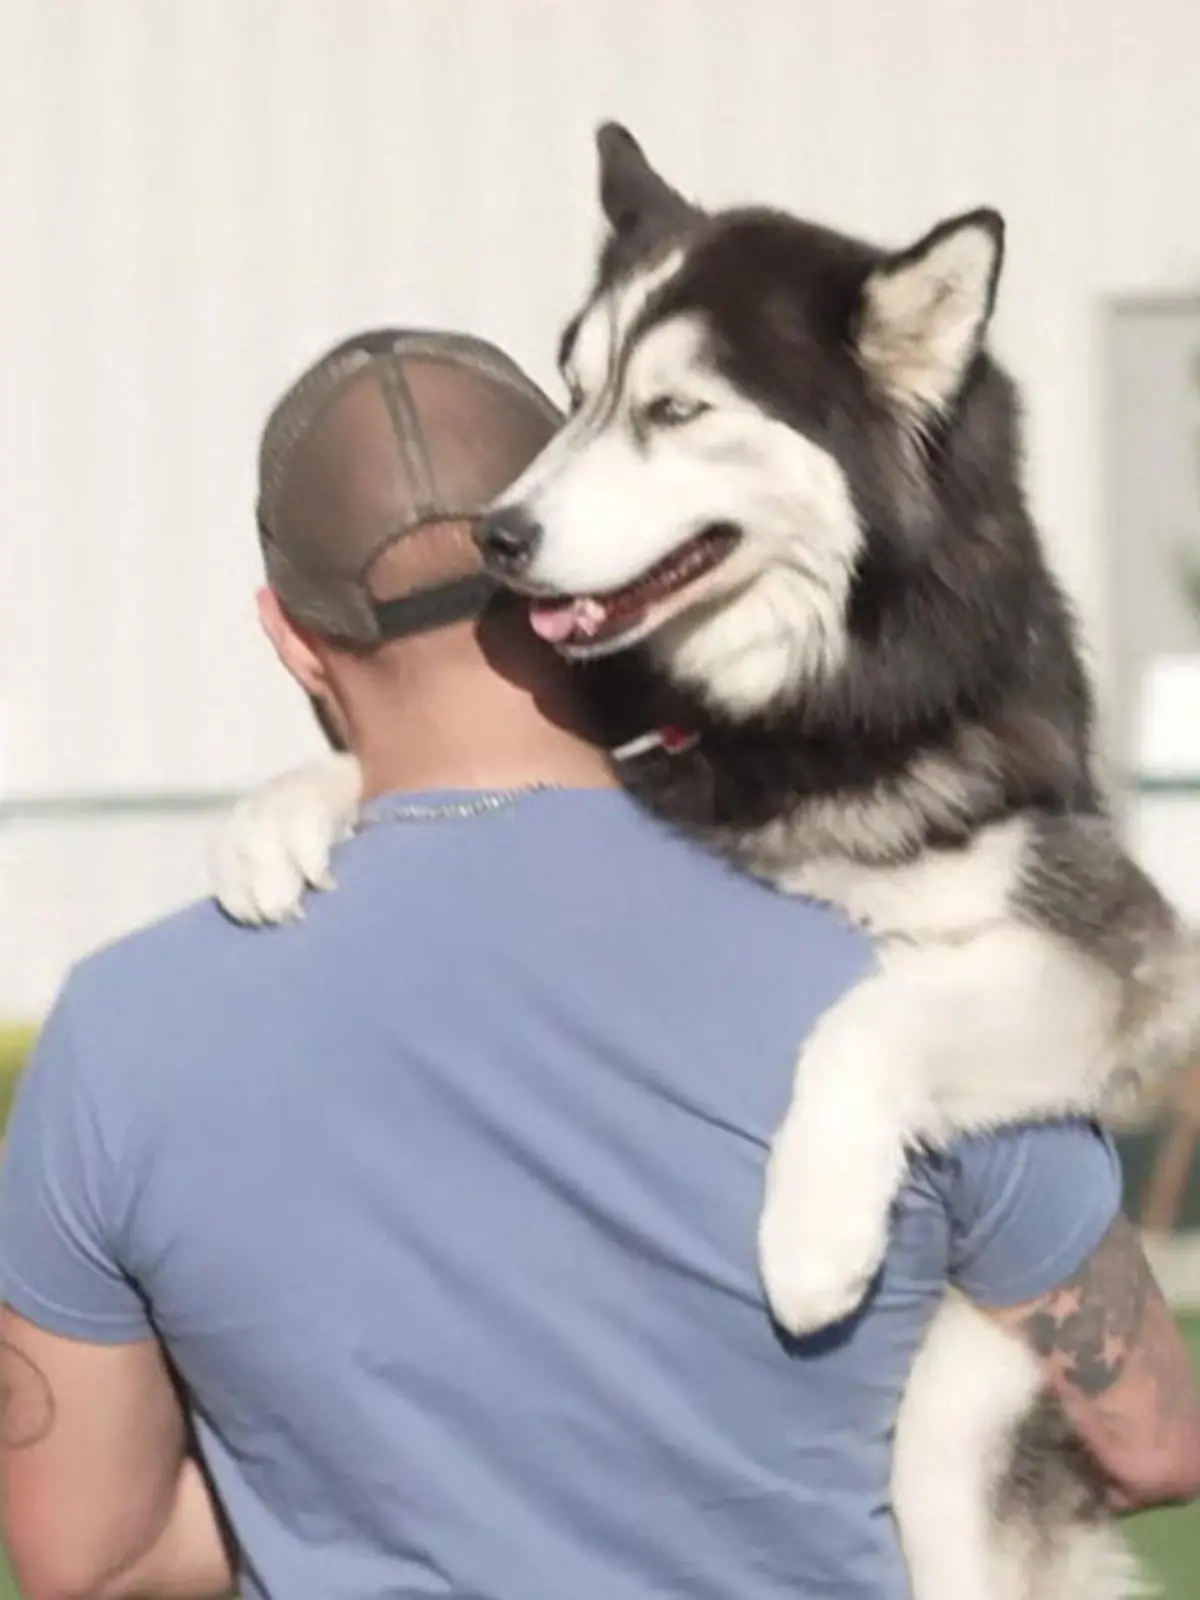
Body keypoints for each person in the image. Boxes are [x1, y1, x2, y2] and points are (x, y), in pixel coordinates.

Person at [1, 328, 1198, 1600]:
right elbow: (1151, 1431)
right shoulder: (911, 949)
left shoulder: (124, 1031)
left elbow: (98, 1560)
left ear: (292, 639)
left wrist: (321, 1493)